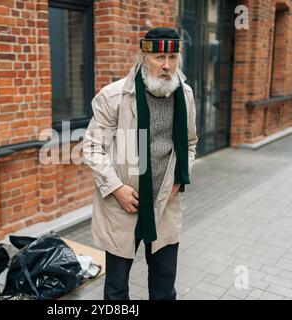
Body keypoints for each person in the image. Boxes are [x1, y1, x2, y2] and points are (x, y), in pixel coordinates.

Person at [83, 27, 198, 300]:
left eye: (172, 57)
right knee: (116, 290)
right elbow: (91, 147)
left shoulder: (186, 95)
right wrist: (115, 188)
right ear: (143, 56)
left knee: (163, 288)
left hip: (165, 206)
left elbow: (190, 144)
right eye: (159, 57)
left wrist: (181, 178)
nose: (167, 65)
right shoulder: (114, 97)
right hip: (123, 205)